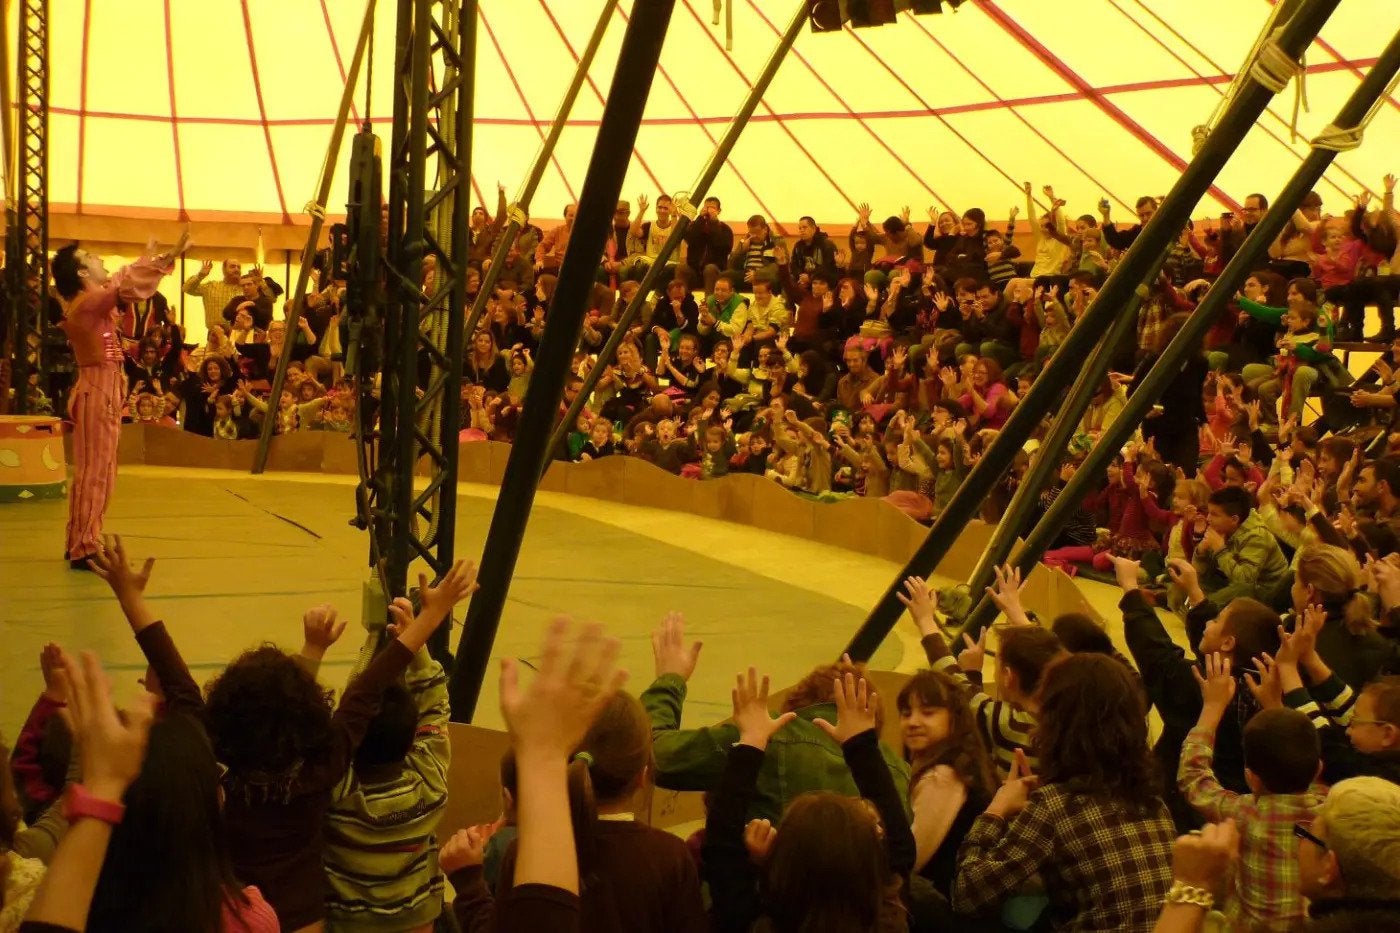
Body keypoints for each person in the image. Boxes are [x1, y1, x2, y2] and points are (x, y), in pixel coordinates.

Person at [87, 536, 477, 933]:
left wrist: (128, 594)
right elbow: (369, 689)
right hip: (304, 917)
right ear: (311, 713)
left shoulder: (211, 758)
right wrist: (434, 614)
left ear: (222, 710)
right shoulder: (323, 764)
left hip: (233, 916)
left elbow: (176, 680)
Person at [950, 654, 1176, 930]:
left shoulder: (1054, 807)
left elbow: (967, 895)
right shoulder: (1154, 802)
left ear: (1055, 722)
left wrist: (997, 810)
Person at [703, 669, 916, 933]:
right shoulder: (888, 921)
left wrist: (751, 741)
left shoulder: (759, 925)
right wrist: (862, 745)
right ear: (871, 864)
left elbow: (720, 850)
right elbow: (902, 849)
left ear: (784, 864)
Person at [640, 614, 910, 822]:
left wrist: (670, 679)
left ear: (793, 708)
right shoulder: (900, 773)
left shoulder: (770, 739)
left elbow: (658, 754)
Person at [51, 231, 189, 569]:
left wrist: (156, 259)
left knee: (99, 469)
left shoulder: (89, 300)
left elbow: (121, 281)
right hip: (98, 389)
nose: (99, 260)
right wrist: (161, 258)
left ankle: (80, 540)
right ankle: (84, 545)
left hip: (104, 389)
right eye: (90, 258)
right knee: (96, 470)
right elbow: (125, 286)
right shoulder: (87, 303)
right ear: (82, 273)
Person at [1177, 653, 1325, 930]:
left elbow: (1193, 779)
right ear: (1318, 769)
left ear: (1251, 778)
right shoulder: (1331, 813)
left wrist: (1212, 707)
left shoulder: (1246, 813)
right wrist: (1274, 705)